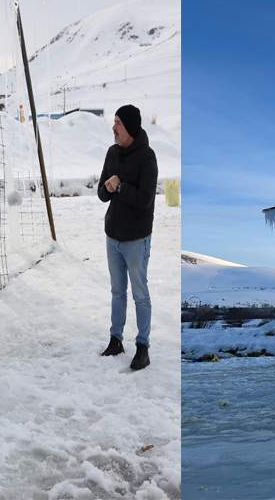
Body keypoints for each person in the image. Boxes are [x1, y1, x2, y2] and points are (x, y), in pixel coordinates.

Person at [97, 104, 157, 370]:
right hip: (113, 235)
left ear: (130, 127)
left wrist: (120, 185)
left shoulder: (147, 157)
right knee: (117, 292)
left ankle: (142, 346)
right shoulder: (112, 152)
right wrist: (110, 187)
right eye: (114, 122)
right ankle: (115, 339)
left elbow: (145, 200)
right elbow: (101, 192)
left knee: (140, 294)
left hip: (136, 239)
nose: (114, 127)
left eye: (118, 122)